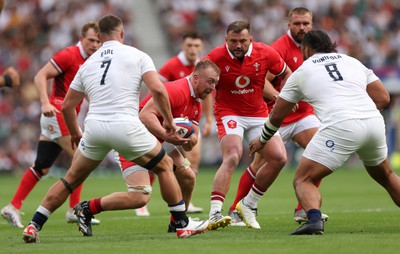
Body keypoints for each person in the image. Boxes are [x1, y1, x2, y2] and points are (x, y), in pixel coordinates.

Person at [22, 14, 209, 243]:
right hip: (125, 126)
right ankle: (182, 225)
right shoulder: (137, 55)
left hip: (94, 128)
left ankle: (34, 225)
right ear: (122, 33)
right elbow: (158, 91)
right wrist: (169, 122)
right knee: (165, 166)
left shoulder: (87, 64)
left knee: (70, 179)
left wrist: (75, 132)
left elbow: (69, 106)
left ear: (99, 37)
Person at [249, 29, 400, 235]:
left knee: (303, 179)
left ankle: (313, 220)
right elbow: (383, 98)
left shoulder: (302, 71)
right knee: (387, 175)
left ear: (307, 49)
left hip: (341, 125)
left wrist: (262, 140)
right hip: (373, 122)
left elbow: (276, 115)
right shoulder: (352, 61)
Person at [227, 7, 328, 225]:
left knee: (321, 154)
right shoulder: (279, 48)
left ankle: (304, 209)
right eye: (297, 23)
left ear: (312, 24)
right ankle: (236, 210)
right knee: (260, 163)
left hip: (303, 114)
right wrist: (281, 97)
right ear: (288, 24)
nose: (302, 27)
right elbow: (260, 80)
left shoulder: (316, 47)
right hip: (276, 115)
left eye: (306, 23)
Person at [1, 22, 101, 228]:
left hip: (61, 116)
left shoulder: (90, 60)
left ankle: (12, 206)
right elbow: (40, 75)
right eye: (91, 40)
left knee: (42, 166)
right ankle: (75, 210)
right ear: (81, 38)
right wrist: (45, 102)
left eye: (98, 41)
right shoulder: (69, 54)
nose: (95, 44)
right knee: (82, 159)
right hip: (57, 112)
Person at [111, 59, 219, 232]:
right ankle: (87, 209)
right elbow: (145, 116)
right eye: (211, 82)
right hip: (134, 141)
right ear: (196, 78)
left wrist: (189, 137)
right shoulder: (177, 90)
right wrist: (169, 135)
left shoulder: (196, 103)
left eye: (215, 83)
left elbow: (191, 144)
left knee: (188, 176)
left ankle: (178, 222)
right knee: (139, 198)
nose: (213, 88)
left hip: (160, 142)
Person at [204, 20, 292, 230]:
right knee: (233, 156)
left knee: (279, 158)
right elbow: (199, 81)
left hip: (258, 114)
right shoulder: (215, 57)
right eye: (233, 41)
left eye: (242, 41)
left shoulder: (265, 52)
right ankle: (215, 212)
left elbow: (286, 73)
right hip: (229, 112)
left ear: (250, 39)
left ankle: (248, 204)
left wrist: (287, 97)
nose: (237, 45)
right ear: (226, 39)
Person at [135, 31, 206, 216]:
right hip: (153, 130)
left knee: (191, 163)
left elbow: (208, 98)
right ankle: (148, 201)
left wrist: (201, 127)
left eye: (197, 46)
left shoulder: (203, 72)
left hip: (178, 124)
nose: (193, 49)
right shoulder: (173, 69)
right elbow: (157, 92)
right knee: (159, 170)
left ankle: (182, 214)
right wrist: (168, 130)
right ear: (183, 46)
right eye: (190, 45)